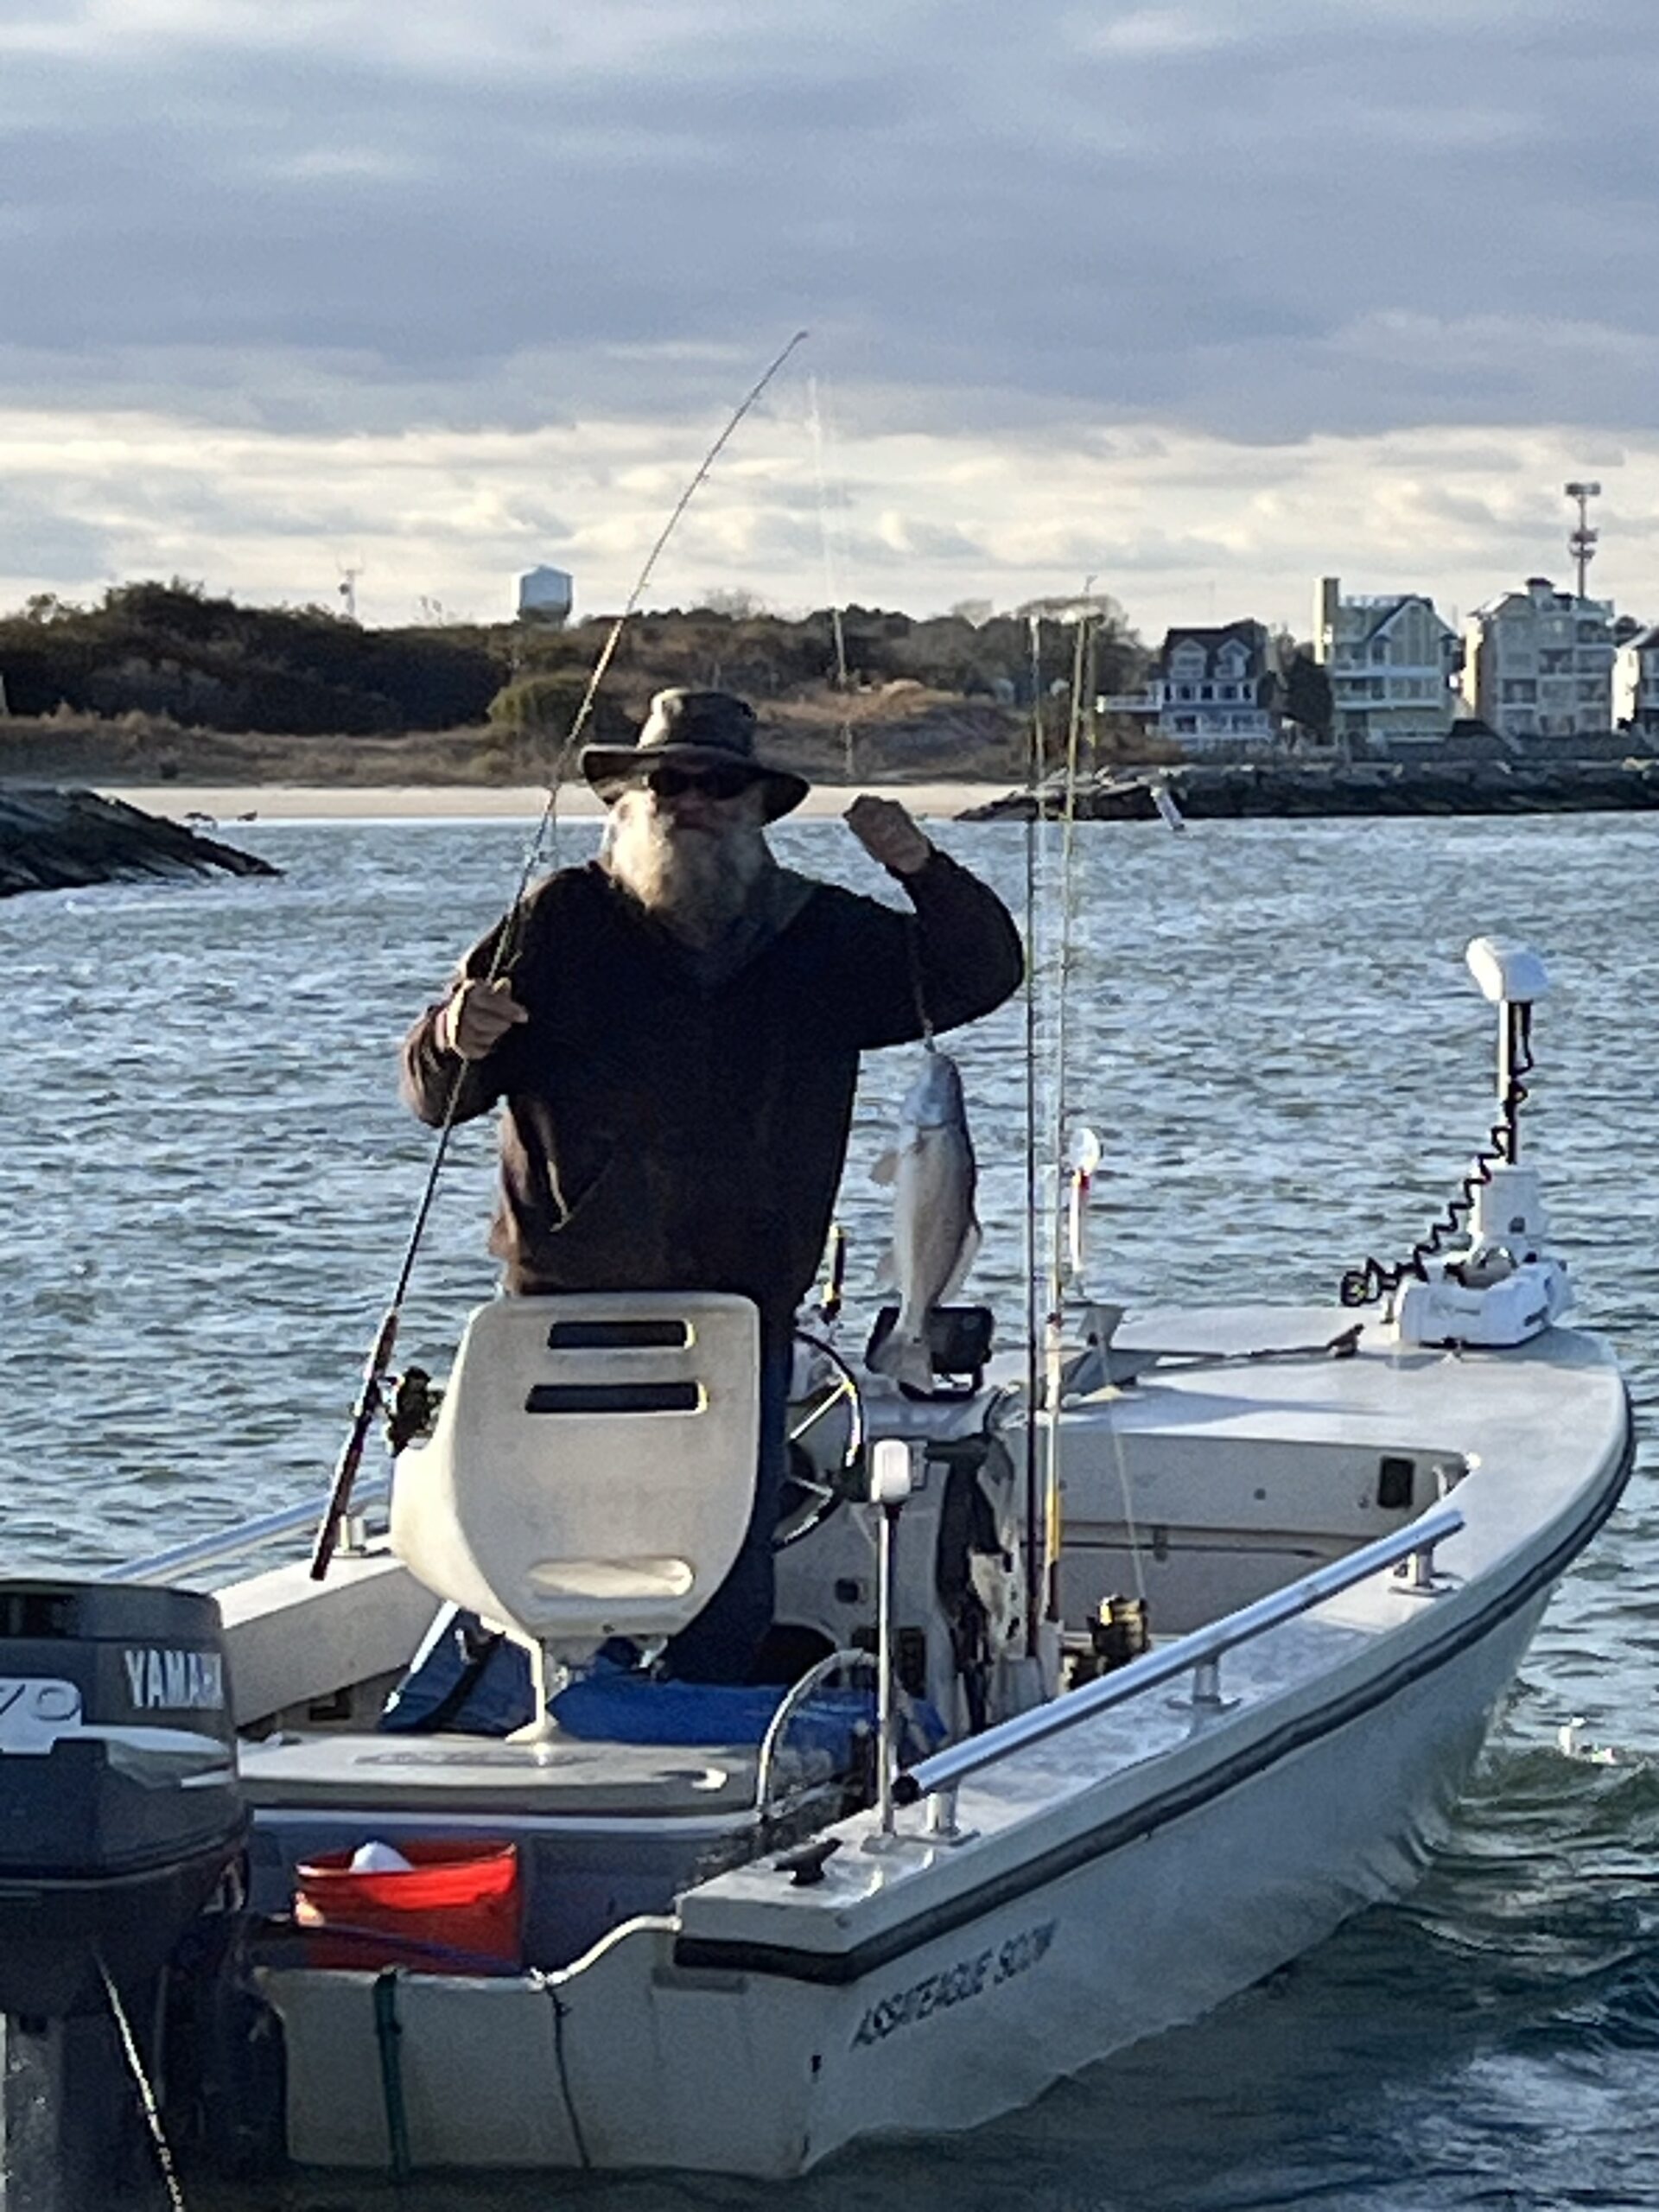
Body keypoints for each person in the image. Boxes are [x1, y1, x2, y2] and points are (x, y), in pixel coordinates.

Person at [401, 688, 1022, 1683]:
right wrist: (449, 1032)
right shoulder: (559, 921)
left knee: (724, 1556)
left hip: (740, 1312)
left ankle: (711, 1723)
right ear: (631, 801)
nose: (690, 800)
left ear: (757, 807)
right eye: (667, 781)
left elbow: (981, 972)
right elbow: (439, 1097)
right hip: (567, 1311)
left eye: (718, 784)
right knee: (563, 1540)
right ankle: (564, 1704)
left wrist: (921, 867)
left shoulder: (818, 936)